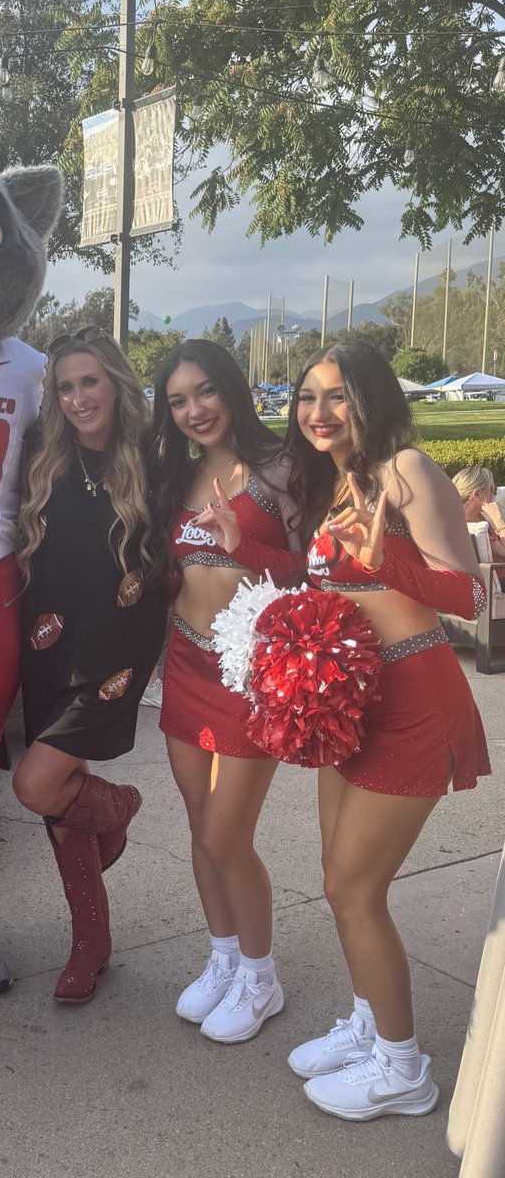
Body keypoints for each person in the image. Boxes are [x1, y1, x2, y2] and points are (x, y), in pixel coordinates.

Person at [284, 337, 489, 1120]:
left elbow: (470, 597)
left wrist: (386, 562)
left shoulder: (407, 470)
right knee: (337, 877)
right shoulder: (341, 483)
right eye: (308, 397)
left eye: (337, 395)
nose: (319, 412)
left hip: (414, 701)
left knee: (352, 887)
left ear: (372, 398)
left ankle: (403, 1071)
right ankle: (372, 1025)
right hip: (352, 704)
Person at [149, 339, 303, 1043]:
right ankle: (224, 956)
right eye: (178, 400)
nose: (193, 410)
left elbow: (312, 572)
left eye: (205, 392)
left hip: (253, 672)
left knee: (225, 834)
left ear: (232, 389)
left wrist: (243, 545)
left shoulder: (282, 468)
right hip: (187, 662)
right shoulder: (173, 473)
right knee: (198, 826)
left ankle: (261, 978)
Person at [13, 329, 167, 1003]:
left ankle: (117, 804)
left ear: (116, 385)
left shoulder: (156, 461)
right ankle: (90, 945)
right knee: (57, 808)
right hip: (45, 646)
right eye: (65, 386)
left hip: (116, 652)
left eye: (89, 382)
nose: (77, 398)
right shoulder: (41, 459)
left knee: (36, 783)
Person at [452, 466, 505, 562]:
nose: (495, 494)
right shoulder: (471, 525)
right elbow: (503, 554)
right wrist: (498, 520)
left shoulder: (475, 517)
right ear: (477, 495)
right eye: (492, 489)